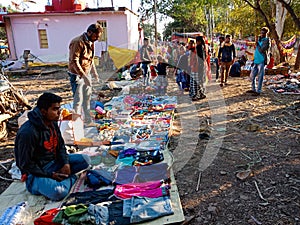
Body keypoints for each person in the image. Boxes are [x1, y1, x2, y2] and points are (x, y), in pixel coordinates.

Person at [14, 92, 91, 201]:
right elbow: (25, 164)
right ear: (43, 111)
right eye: (55, 109)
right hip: (37, 173)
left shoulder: (52, 122)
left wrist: (65, 163)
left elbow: (60, 146)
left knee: (85, 160)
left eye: (59, 109)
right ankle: (71, 178)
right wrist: (50, 175)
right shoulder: (28, 132)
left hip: (54, 163)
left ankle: (63, 178)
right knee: (59, 192)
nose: (59, 113)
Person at [68, 23, 103, 125]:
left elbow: (90, 60)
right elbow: (74, 61)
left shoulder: (91, 42)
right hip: (76, 75)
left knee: (87, 99)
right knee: (78, 100)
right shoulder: (77, 42)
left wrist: (94, 74)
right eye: (95, 36)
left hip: (86, 73)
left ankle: (87, 121)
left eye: (98, 37)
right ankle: (76, 124)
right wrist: (83, 76)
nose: (97, 39)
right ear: (89, 32)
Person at [247, 27, 271, 96]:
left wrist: (257, 44)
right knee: (252, 75)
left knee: (260, 76)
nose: (262, 34)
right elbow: (256, 51)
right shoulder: (260, 39)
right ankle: (253, 89)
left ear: (266, 33)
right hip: (256, 60)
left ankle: (258, 91)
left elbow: (262, 50)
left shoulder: (267, 40)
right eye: (261, 32)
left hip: (262, 60)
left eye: (263, 33)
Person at [189, 36, 206, 101]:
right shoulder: (201, 47)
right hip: (198, 67)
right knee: (198, 81)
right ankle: (201, 94)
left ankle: (196, 95)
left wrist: (198, 66)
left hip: (197, 67)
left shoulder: (199, 47)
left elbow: (200, 59)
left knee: (196, 82)